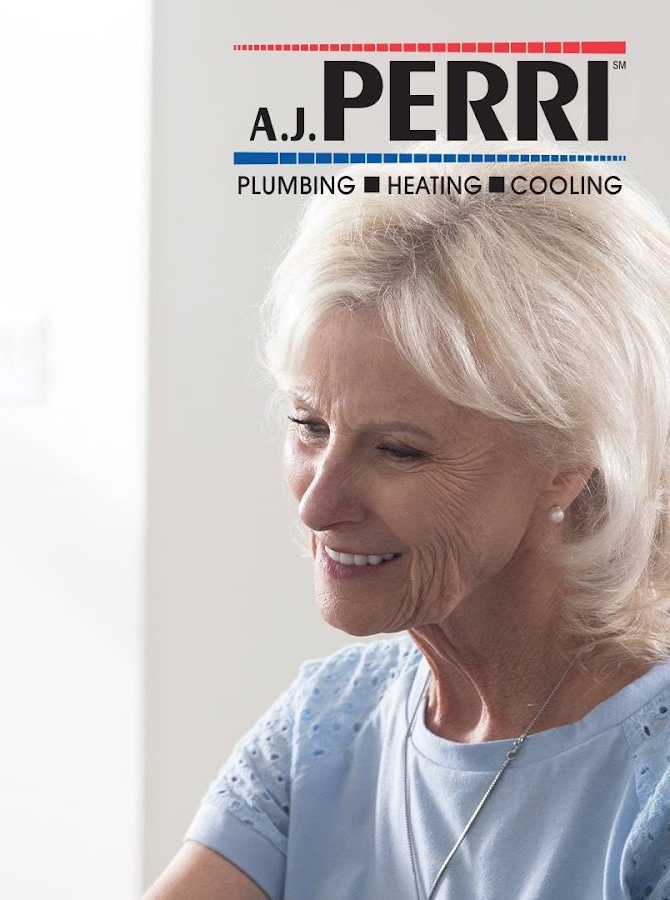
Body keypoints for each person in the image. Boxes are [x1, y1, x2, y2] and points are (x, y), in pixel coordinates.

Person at [147, 157, 670, 899]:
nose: (316, 506)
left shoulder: (653, 783)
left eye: (398, 450)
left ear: (571, 459)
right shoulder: (328, 725)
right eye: (309, 425)